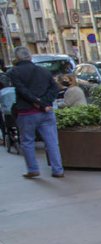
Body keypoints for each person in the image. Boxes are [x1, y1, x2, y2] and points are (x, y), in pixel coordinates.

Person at [7, 46, 64, 179]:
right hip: (47, 112)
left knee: (27, 141)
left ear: (17, 58)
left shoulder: (14, 72)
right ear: (30, 57)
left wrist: (37, 102)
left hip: (27, 113)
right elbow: (55, 88)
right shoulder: (43, 71)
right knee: (52, 142)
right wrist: (45, 103)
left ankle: (33, 169)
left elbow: (22, 91)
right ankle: (58, 170)